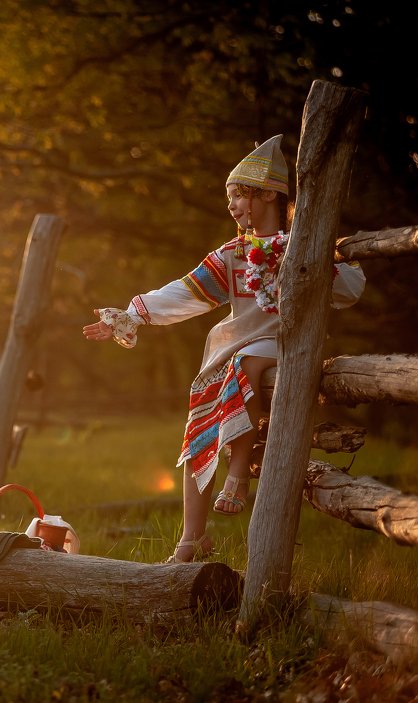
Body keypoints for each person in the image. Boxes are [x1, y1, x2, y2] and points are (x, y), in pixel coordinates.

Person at [82, 135, 366, 563]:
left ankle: (238, 474)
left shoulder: (302, 246)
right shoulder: (233, 256)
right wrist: (128, 315)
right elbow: (182, 293)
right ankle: (190, 539)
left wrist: (320, 259)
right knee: (199, 420)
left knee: (245, 362)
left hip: (285, 345)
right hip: (237, 344)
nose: (231, 205)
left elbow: (349, 291)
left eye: (238, 195)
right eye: (229, 197)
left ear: (269, 193)